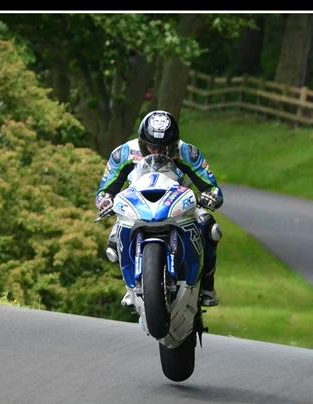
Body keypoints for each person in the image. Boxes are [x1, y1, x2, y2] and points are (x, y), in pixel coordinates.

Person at [95, 110, 223, 308]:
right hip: (137, 203)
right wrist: (105, 200)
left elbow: (212, 186)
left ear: (174, 143)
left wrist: (211, 196)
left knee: (210, 227)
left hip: (179, 203)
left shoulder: (188, 152)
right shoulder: (124, 154)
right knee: (113, 238)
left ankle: (207, 286)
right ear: (141, 143)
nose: (158, 152)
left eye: (165, 148)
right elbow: (105, 189)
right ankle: (130, 287)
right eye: (152, 146)